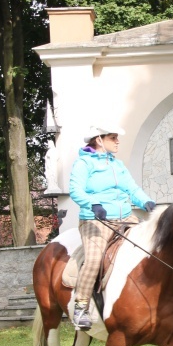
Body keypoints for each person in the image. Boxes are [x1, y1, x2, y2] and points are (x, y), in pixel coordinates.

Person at [69, 124, 156, 330]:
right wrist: (93, 205)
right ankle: (81, 306)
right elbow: (75, 190)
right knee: (94, 258)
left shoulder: (118, 165)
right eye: (113, 137)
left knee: (152, 246)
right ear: (99, 140)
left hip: (126, 218)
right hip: (95, 219)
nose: (117, 141)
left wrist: (147, 202)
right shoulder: (83, 163)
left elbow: (132, 188)